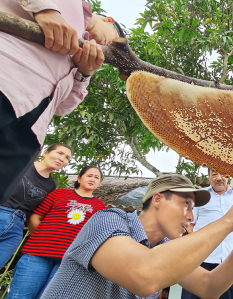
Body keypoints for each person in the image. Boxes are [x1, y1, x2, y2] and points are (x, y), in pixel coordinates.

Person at [41, 173, 233, 298]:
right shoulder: (107, 220)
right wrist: (228, 222)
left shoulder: (164, 247)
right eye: (186, 204)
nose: (190, 216)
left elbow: (209, 287)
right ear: (157, 199)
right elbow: (145, 276)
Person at [0, 0, 125, 206]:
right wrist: (44, 9)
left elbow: (62, 108)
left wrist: (84, 73)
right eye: (112, 42)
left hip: (31, 131)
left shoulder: (79, 52)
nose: (106, 49)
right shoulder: (72, 4)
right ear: (108, 21)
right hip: (7, 78)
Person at [6, 165, 106, 299]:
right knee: (19, 296)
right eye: (89, 175)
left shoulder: (100, 205)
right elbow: (36, 216)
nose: (92, 179)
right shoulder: (59, 193)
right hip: (37, 253)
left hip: (68, 260)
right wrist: (42, 237)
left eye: (96, 177)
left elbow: (94, 232)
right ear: (79, 178)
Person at [0, 142, 72, 268]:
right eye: (60, 153)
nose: (62, 159)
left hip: (16, 228)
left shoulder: (51, 186)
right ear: (45, 152)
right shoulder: (22, 165)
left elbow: (36, 213)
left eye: (67, 158)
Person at [181, 169, 233, 299]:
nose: (219, 178)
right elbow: (190, 225)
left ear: (229, 175)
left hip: (228, 259)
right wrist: (201, 242)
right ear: (208, 176)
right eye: (214, 174)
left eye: (223, 173)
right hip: (200, 258)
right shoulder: (200, 196)